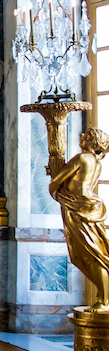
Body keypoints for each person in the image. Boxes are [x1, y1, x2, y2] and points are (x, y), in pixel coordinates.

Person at [50, 128, 109, 311]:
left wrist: (56, 192)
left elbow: (56, 181)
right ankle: (103, 296)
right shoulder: (96, 163)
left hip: (78, 207)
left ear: (92, 142)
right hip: (90, 206)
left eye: (86, 136)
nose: (82, 137)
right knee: (94, 254)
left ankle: (104, 300)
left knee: (90, 255)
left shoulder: (81, 158)